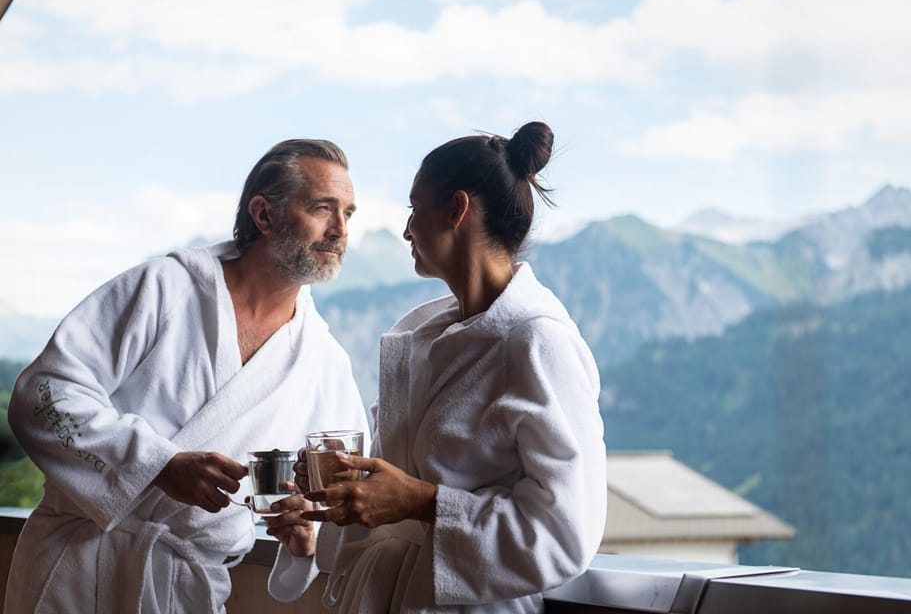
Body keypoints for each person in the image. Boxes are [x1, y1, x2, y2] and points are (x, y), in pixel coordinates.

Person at [4, 139, 370, 613]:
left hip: (188, 588)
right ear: (264, 215)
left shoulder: (322, 360)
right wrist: (157, 465)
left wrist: (304, 535)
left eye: (348, 213)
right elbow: (43, 395)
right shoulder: (165, 288)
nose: (340, 230)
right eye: (322, 209)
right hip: (79, 574)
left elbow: (342, 499)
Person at [272, 121, 607, 612]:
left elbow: (565, 532)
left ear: (456, 209)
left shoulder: (536, 341)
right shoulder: (425, 337)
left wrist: (420, 502)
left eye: (415, 208)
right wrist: (341, 505)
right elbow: (401, 493)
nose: (407, 229)